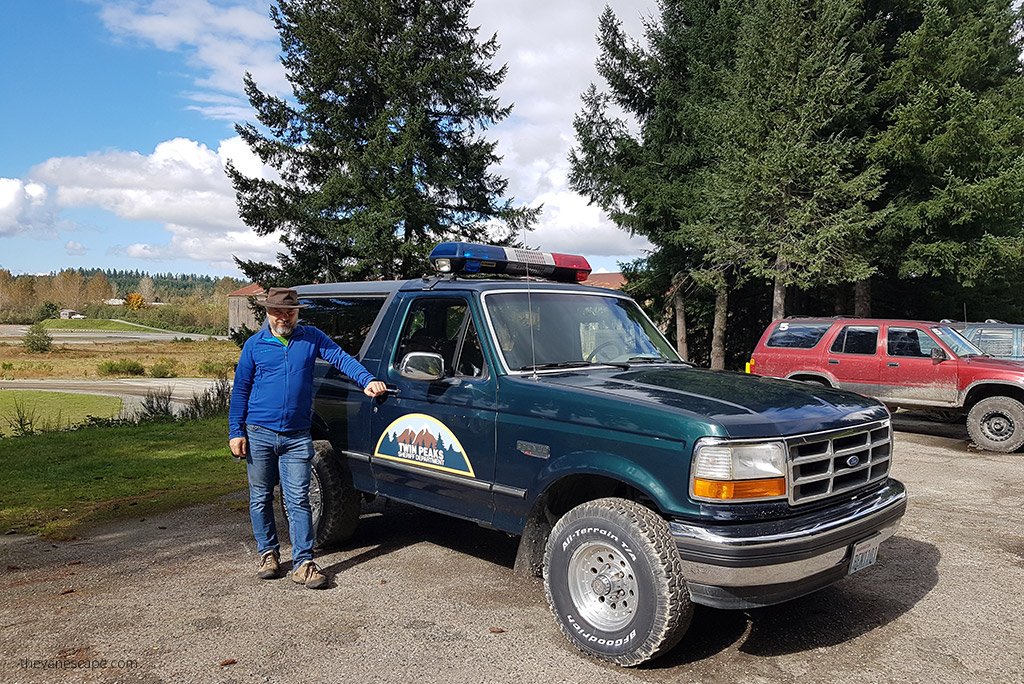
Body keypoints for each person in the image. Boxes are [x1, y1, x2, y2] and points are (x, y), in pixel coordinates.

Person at [229, 287, 387, 589]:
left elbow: (341, 358)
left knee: (298, 499)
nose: (284, 317)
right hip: (259, 434)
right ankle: (268, 554)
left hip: (297, 436)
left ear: (297, 313)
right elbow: (240, 391)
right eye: (278, 311)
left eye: (290, 311)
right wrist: (236, 431)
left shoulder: (311, 337)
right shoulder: (254, 345)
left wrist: (367, 380)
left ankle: (303, 562)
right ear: (267, 312)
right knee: (260, 497)